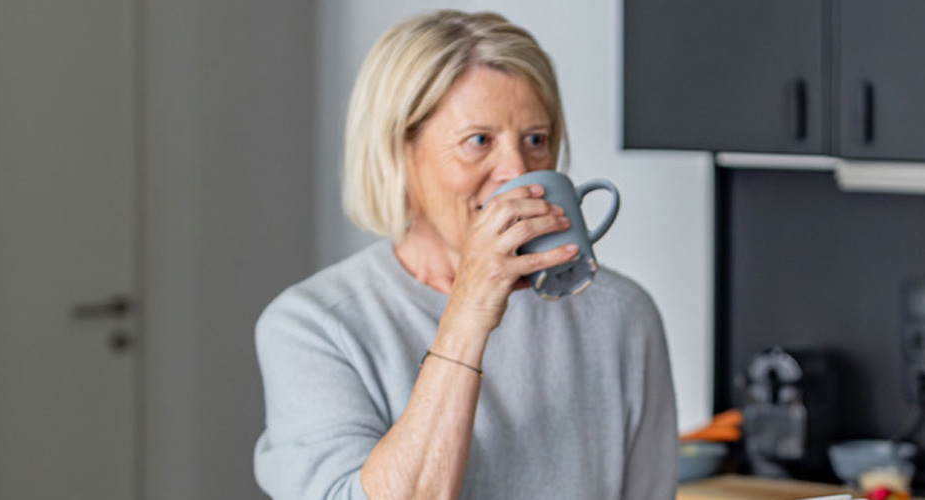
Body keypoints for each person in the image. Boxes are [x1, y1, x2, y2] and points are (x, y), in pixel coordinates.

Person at [252, 10, 676, 500]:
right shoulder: (314, 326)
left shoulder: (621, 315)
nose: (518, 170)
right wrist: (468, 316)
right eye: (479, 141)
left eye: (536, 140)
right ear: (399, 153)